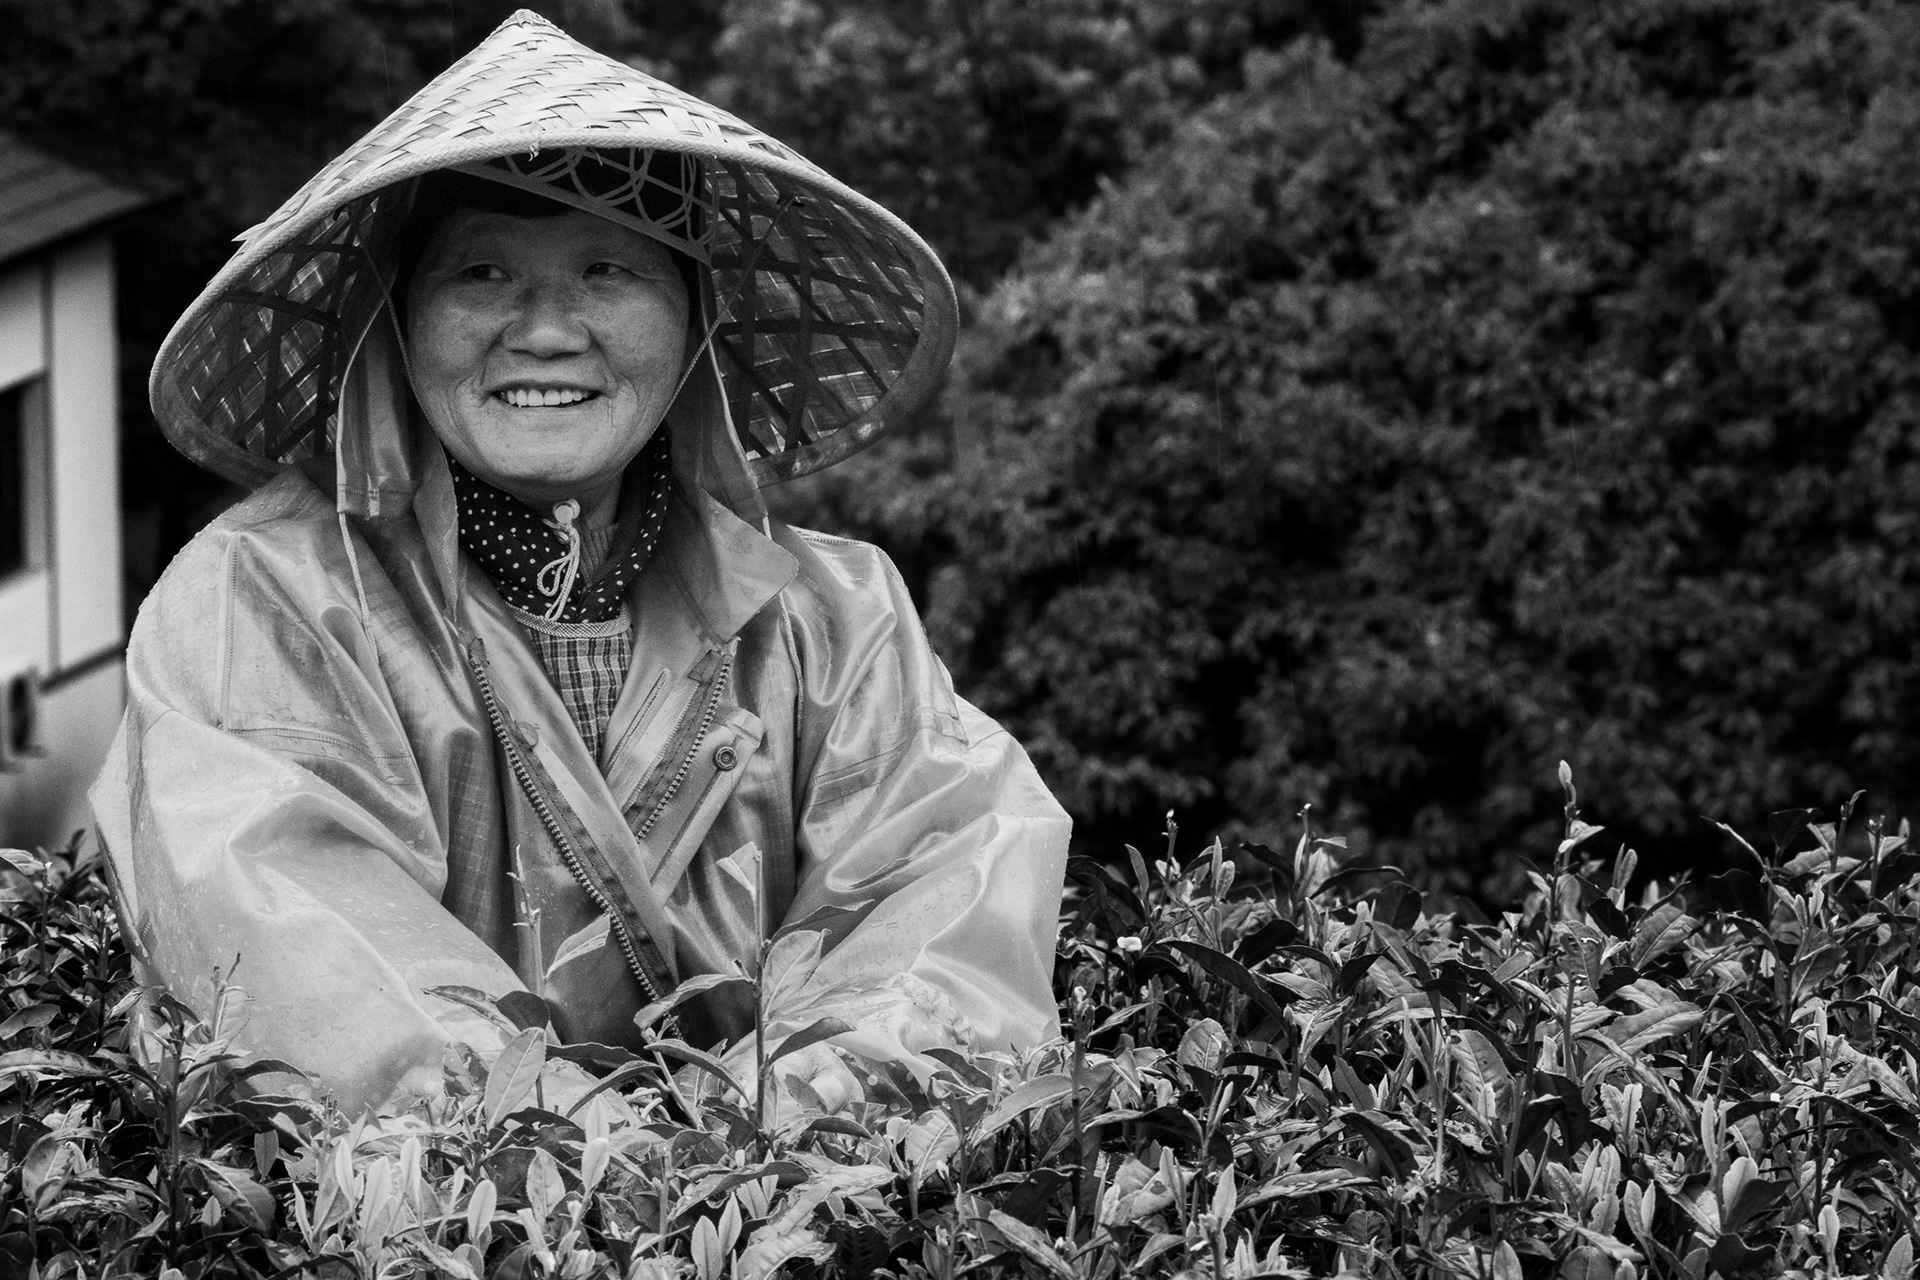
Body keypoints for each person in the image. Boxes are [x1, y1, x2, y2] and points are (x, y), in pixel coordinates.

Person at [90, 10, 1069, 1116]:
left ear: (694, 319)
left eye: (608, 269)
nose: (547, 330)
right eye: (481, 272)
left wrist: (766, 1140)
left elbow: (945, 908)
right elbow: (311, 965)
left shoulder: (834, 622)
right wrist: (602, 1157)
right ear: (398, 322)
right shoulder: (265, 604)